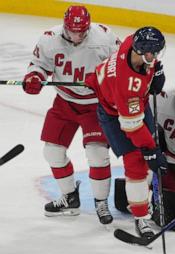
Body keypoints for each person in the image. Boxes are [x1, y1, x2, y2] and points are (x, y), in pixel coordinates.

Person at [22, 5, 121, 224]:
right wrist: (34, 77)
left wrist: (106, 83)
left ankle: (101, 202)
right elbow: (38, 65)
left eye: (81, 31)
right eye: (72, 31)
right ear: (65, 25)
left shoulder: (104, 37)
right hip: (64, 102)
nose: (76, 36)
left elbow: (121, 66)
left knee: (97, 154)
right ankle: (69, 197)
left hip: (95, 105)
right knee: (52, 152)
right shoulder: (49, 39)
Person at [85, 26, 167, 238]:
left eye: (156, 53)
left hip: (133, 102)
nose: (153, 56)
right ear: (139, 51)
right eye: (150, 54)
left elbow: (148, 60)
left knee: (147, 159)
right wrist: (149, 150)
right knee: (136, 161)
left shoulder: (133, 41)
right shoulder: (126, 84)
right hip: (114, 113)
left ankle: (143, 201)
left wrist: (155, 71)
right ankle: (141, 218)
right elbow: (132, 126)